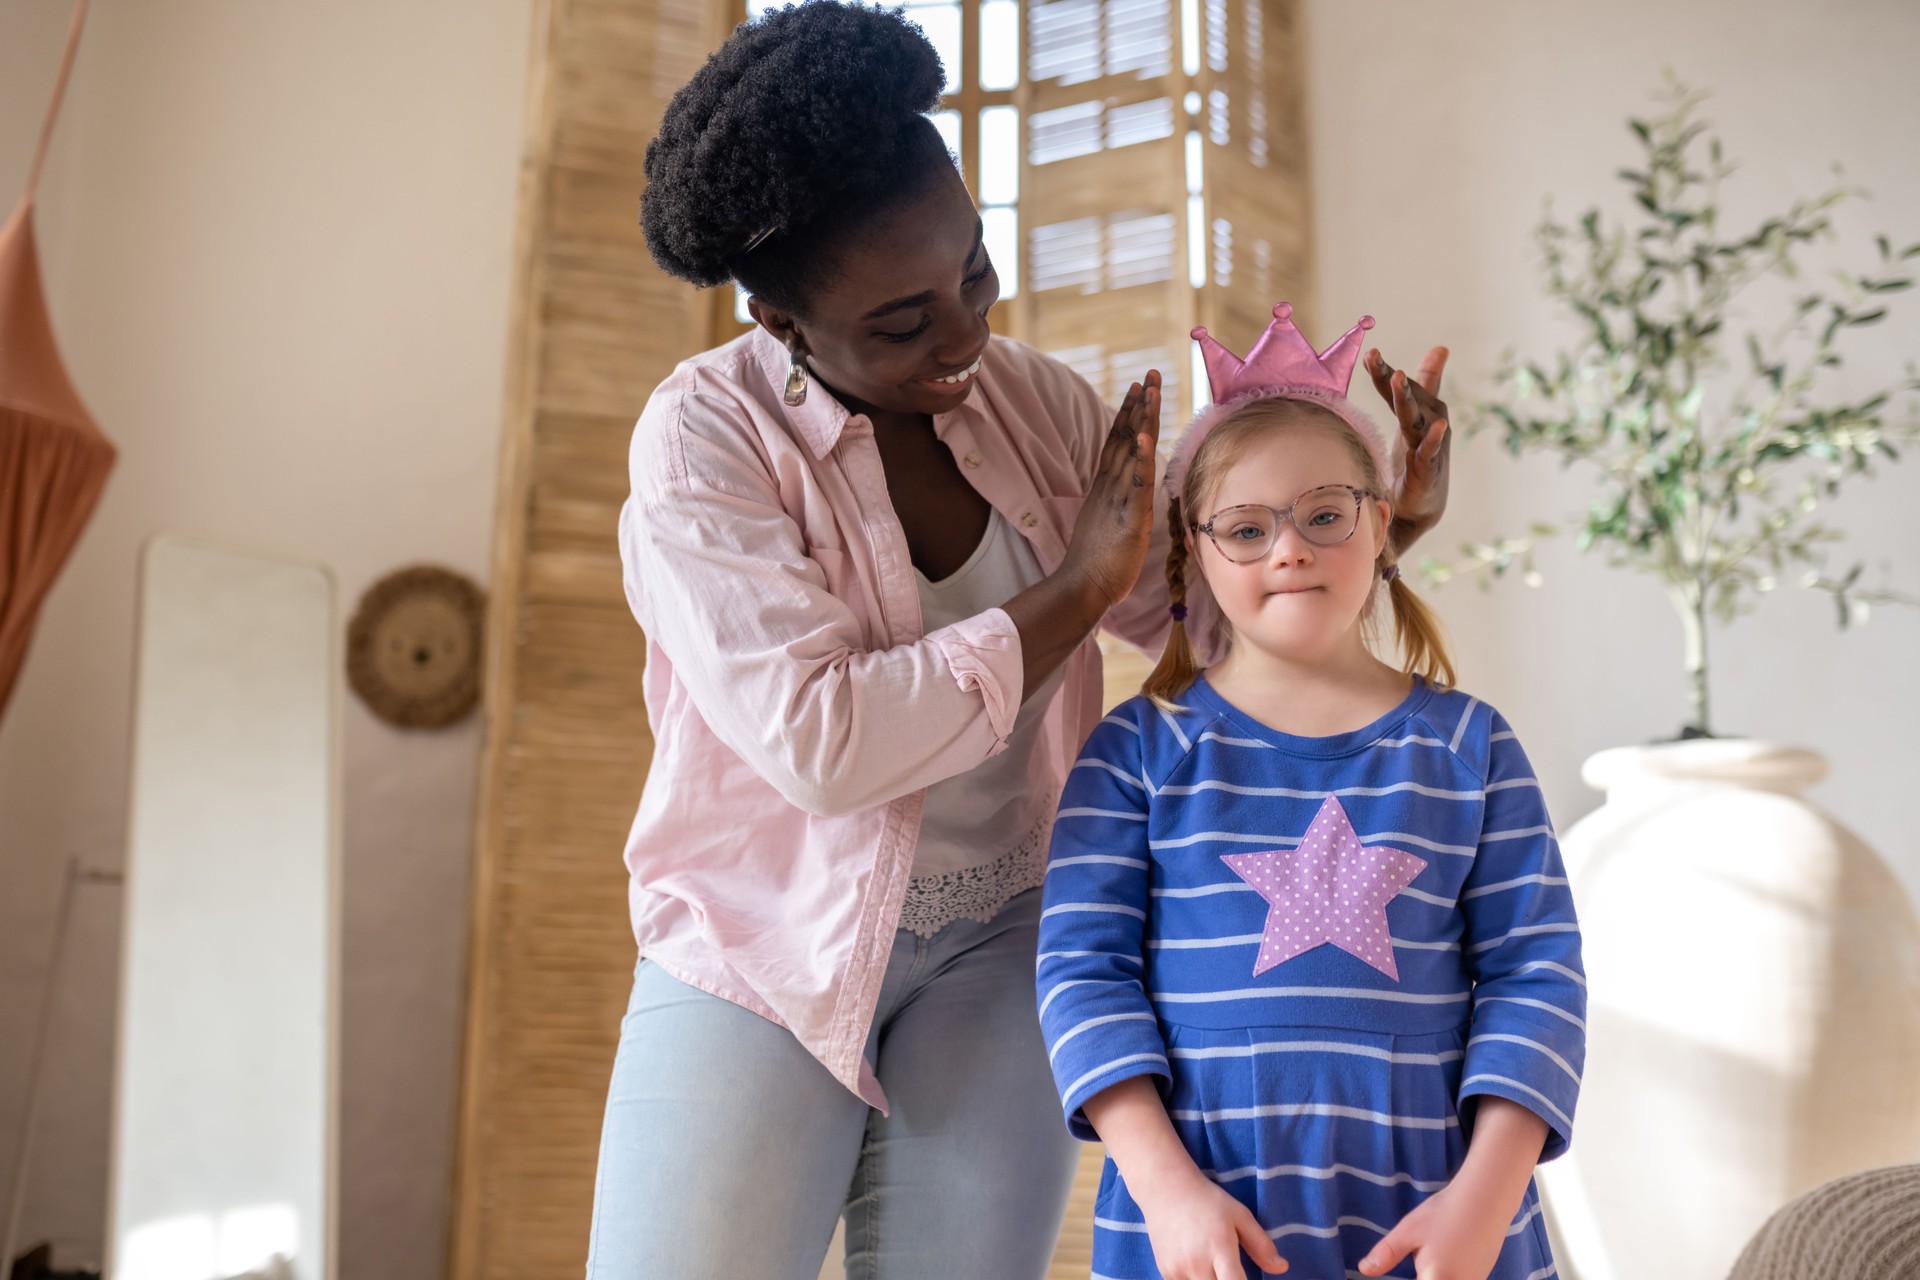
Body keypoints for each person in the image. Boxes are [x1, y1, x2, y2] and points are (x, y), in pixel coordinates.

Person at [591, 0, 1454, 1273]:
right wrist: (1069, 590)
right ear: (778, 322)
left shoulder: (1035, 405)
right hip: (756, 942)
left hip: (1004, 932)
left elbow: (1203, 629)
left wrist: (1382, 525)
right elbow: (824, 744)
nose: (965, 336)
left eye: (975, 272)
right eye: (902, 322)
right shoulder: (702, 439)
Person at [1036, 305, 1580, 1280]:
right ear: (1192, 551)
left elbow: (1536, 979)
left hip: (1438, 1214)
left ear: (1381, 519)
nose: (1289, 549)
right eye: (1246, 527)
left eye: (1324, 514)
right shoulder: (1134, 754)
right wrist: (1165, 1188)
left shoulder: (1472, 747)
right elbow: (1082, 973)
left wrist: (1485, 1201)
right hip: (1205, 1219)